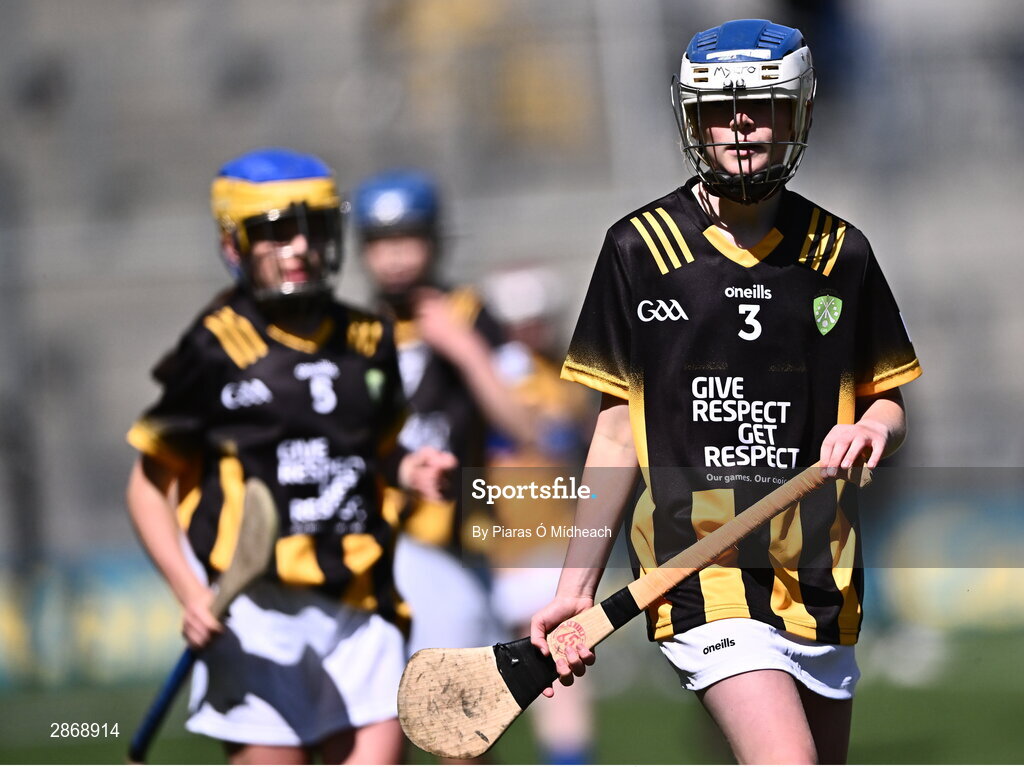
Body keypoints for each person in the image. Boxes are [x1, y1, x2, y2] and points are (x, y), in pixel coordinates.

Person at [529, 19, 922, 765]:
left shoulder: (841, 252)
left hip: (820, 569)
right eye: (718, 110)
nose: (740, 125)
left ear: (799, 112)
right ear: (692, 120)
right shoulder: (639, 250)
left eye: (762, 106)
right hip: (697, 563)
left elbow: (887, 401)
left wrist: (874, 430)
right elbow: (616, 432)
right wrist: (574, 588)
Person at [125, 147, 454, 765]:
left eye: (312, 229)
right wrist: (190, 594)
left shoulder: (368, 338)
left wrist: (413, 468)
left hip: (363, 607)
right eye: (276, 231)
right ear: (234, 244)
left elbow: (380, 452)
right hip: (255, 617)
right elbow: (146, 490)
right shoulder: (213, 348)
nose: (298, 246)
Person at [352, 169, 536, 667]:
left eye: (406, 239)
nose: (393, 257)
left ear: (433, 240)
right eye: (379, 242)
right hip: (386, 542)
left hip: (461, 539)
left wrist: (466, 350)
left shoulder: (470, 314)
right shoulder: (354, 332)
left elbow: (523, 426)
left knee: (465, 719)